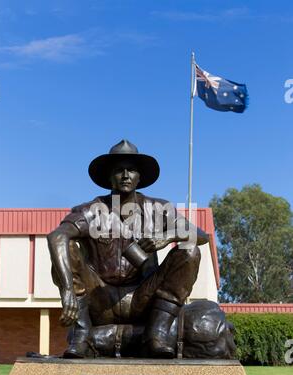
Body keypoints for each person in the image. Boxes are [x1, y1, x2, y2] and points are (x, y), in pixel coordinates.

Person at [48, 140, 209, 358]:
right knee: (66, 247)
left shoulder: (158, 208)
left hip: (142, 298)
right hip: (100, 299)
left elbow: (201, 235)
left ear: (139, 177)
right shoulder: (91, 210)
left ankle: (157, 333)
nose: (125, 175)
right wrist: (67, 288)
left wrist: (168, 236)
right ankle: (82, 334)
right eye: (118, 170)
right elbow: (57, 236)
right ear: (108, 177)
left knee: (189, 250)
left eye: (131, 170)